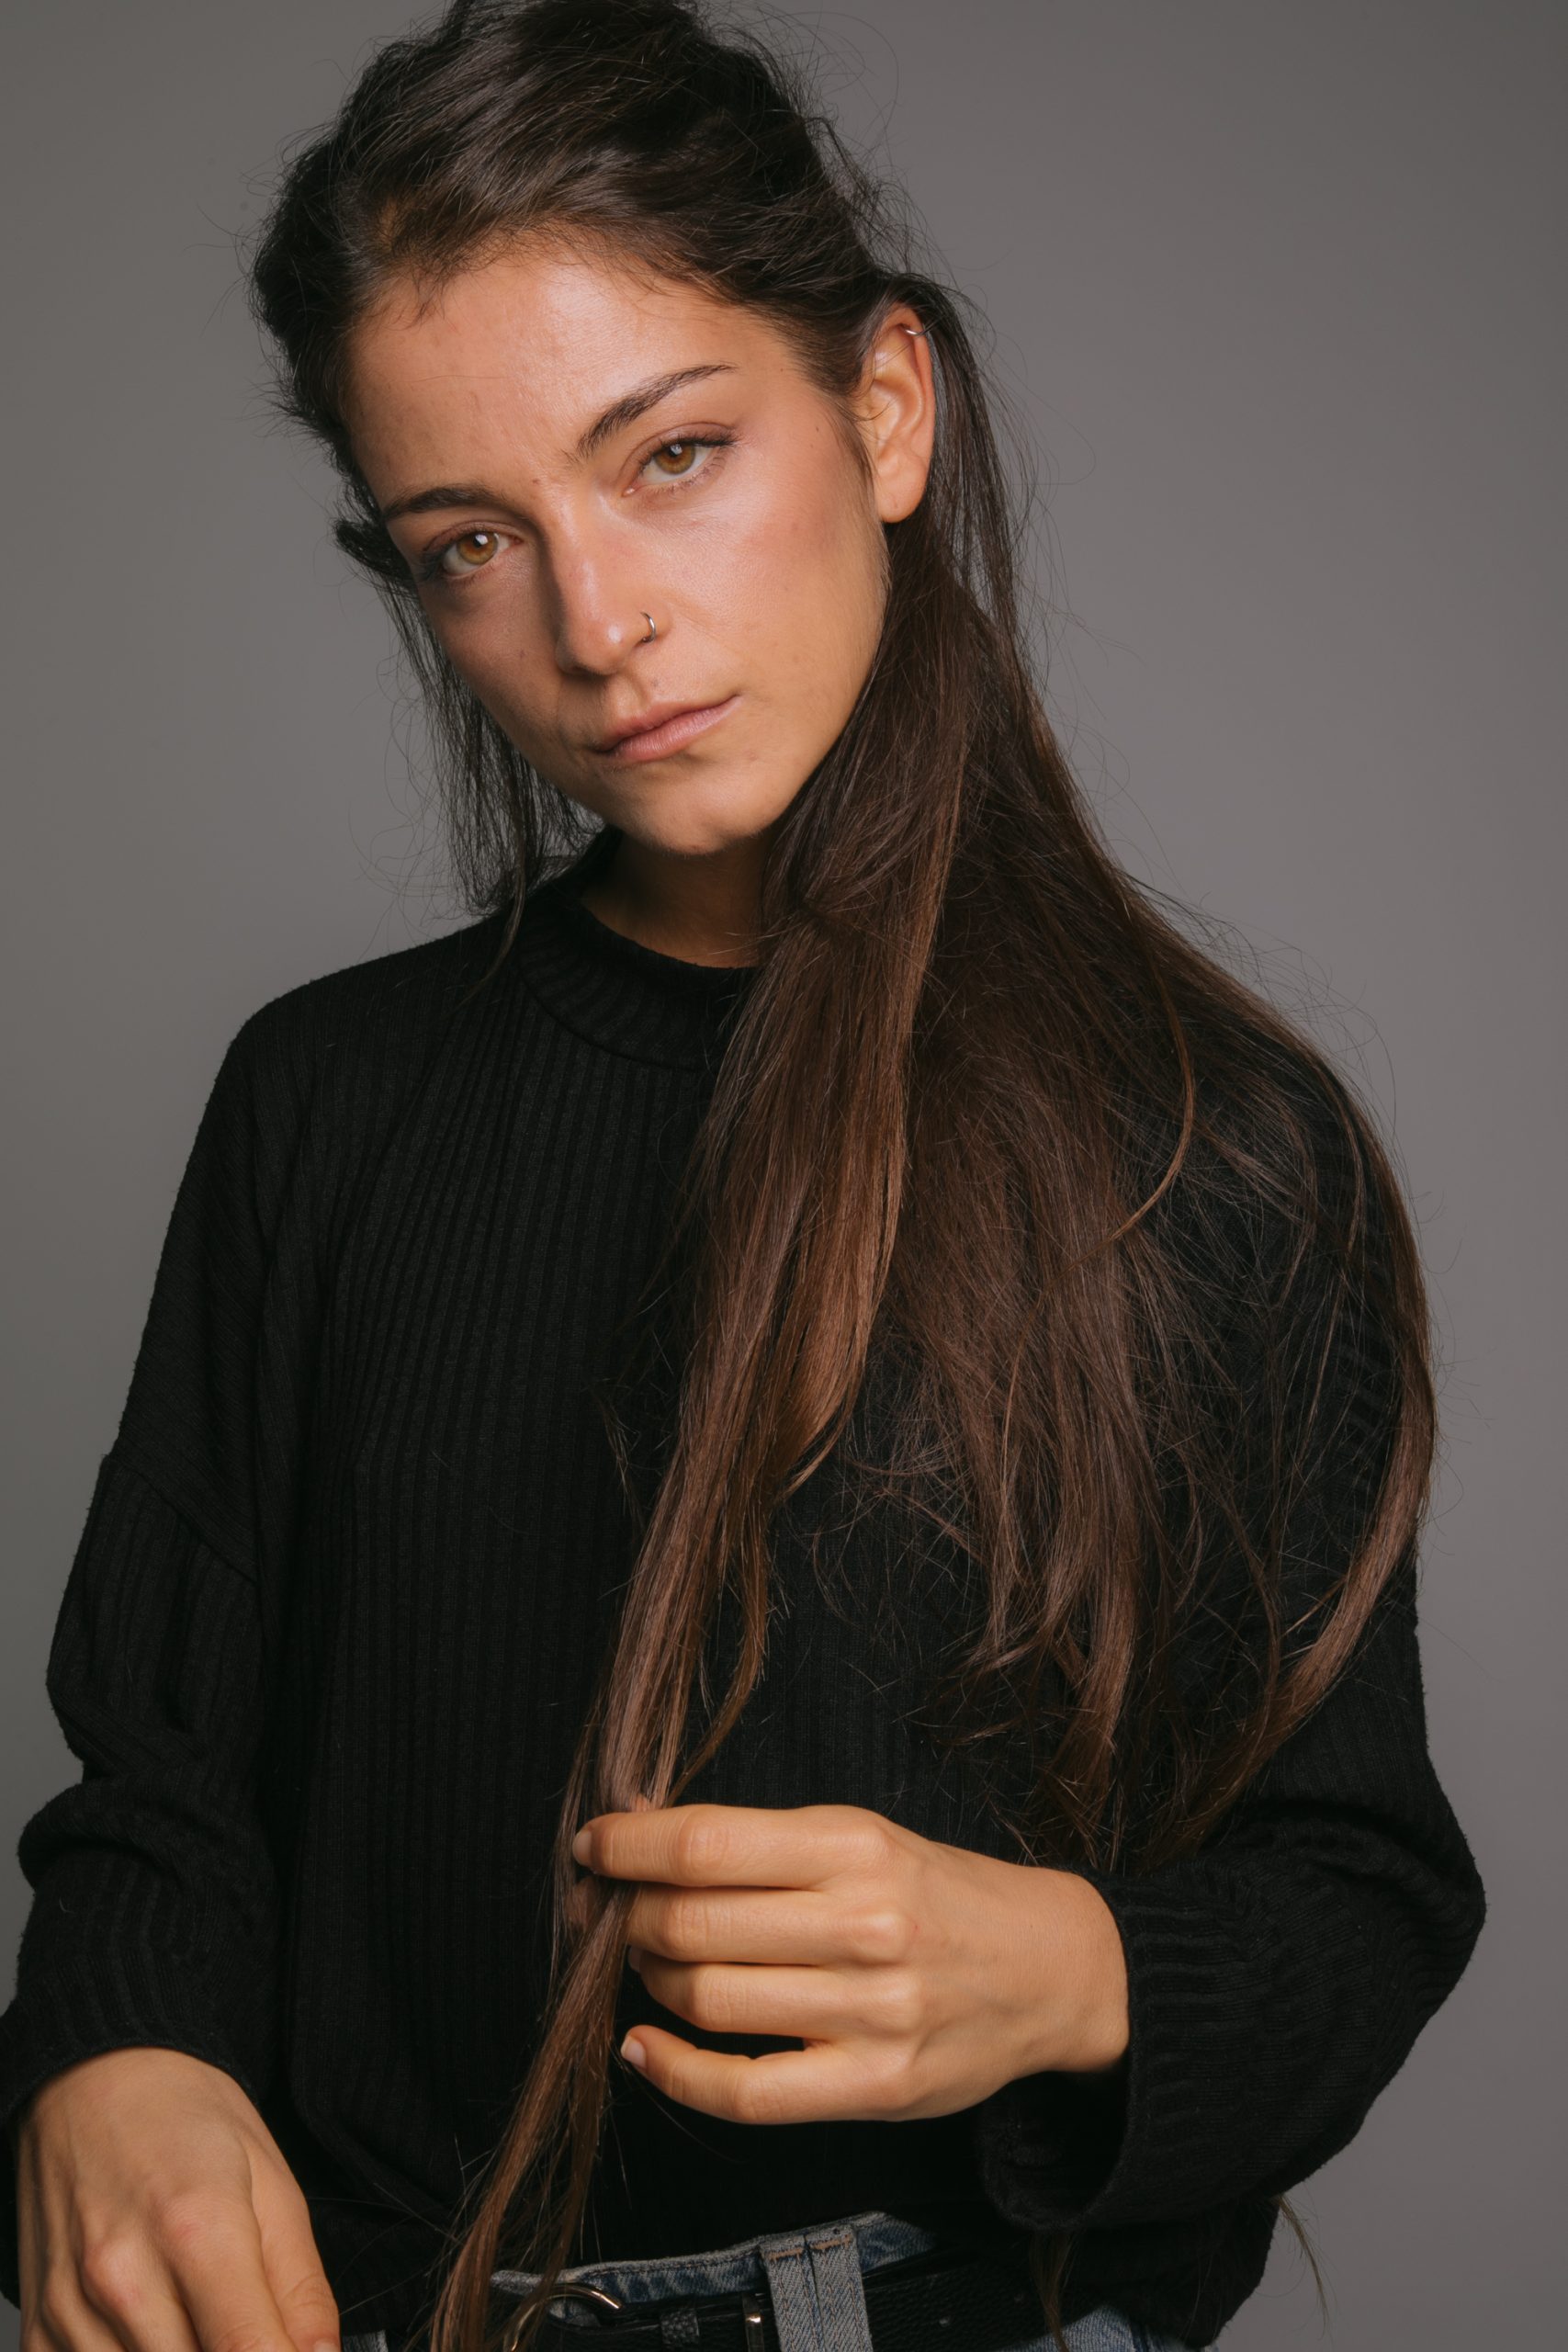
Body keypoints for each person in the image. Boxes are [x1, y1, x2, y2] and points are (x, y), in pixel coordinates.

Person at [0, 4, 1487, 2352]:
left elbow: (1359, 1886)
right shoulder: (324, 1100)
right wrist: (115, 2049)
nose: (596, 628)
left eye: (671, 454)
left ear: (883, 408)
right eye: (470, 545)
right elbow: (160, 1785)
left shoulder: (1213, 1146)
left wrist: (1072, 1967)